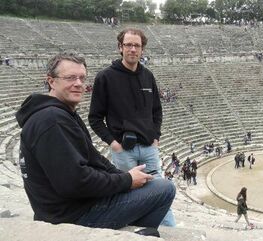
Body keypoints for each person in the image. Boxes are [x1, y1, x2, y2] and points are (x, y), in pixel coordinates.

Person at [15, 53, 175, 233]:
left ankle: (140, 232)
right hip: (72, 215)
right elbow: (76, 182)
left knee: (149, 183)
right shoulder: (53, 120)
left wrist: (124, 176)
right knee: (164, 188)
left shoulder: (60, 114)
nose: (78, 83)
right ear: (51, 81)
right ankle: (141, 234)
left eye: (82, 78)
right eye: (70, 78)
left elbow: (93, 158)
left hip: (73, 206)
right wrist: (127, 180)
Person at [88, 28, 176, 226]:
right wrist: (113, 143)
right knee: (129, 192)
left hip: (148, 147)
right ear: (120, 47)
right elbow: (94, 118)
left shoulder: (148, 76)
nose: (133, 49)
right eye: (128, 45)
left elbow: (157, 110)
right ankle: (136, 228)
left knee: (160, 189)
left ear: (142, 49)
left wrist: (156, 137)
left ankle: (168, 230)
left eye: (137, 45)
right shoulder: (105, 77)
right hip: (123, 150)